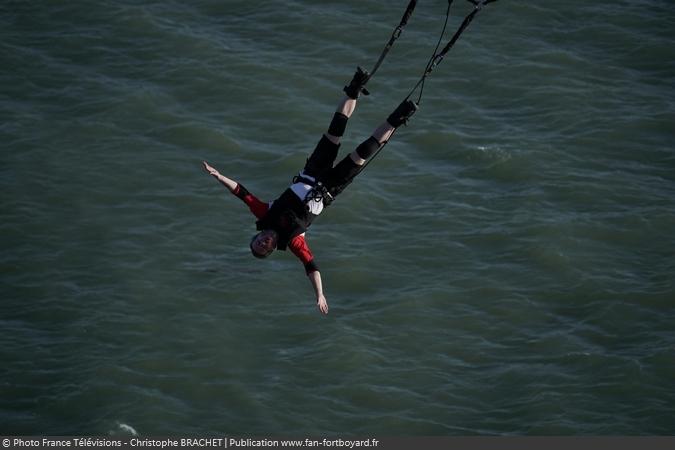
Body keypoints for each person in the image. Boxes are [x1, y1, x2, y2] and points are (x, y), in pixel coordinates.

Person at [203, 67, 417, 315]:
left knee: (335, 131)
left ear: (257, 236)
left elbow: (241, 193)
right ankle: (399, 117)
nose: (264, 242)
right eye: (265, 247)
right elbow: (311, 267)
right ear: (273, 248)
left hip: (312, 172)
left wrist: (219, 176)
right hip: (330, 188)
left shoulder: (265, 214)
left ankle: (355, 87)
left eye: (258, 242)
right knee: (365, 152)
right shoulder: (293, 242)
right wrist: (320, 294)